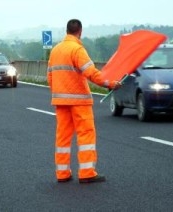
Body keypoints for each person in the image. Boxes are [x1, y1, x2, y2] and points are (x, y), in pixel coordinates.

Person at [47, 19, 121, 183]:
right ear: (80, 31)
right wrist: (110, 83)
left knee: (62, 138)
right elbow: (91, 73)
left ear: (67, 31)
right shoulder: (77, 49)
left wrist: (58, 93)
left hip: (61, 101)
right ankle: (87, 172)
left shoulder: (55, 50)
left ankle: (62, 174)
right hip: (79, 101)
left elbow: (50, 76)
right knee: (85, 135)